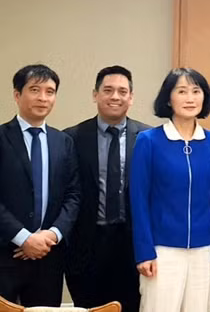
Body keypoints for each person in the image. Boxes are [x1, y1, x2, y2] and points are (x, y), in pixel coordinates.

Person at [131, 68, 210, 312]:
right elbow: (138, 200)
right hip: (161, 251)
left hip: (204, 251)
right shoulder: (148, 141)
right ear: (168, 98)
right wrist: (144, 252)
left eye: (196, 91)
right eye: (182, 91)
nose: (190, 98)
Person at [65, 66, 150, 311]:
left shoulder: (149, 137)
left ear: (131, 97)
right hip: (87, 248)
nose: (115, 96)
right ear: (95, 95)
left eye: (122, 91)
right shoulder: (72, 138)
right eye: (108, 90)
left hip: (132, 246)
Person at [0, 64, 80, 306]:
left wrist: (50, 236)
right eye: (35, 89)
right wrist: (23, 238)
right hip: (5, 254)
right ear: (17, 94)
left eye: (50, 91)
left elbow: (74, 195)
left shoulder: (63, 141)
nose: (43, 98)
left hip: (49, 257)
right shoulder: (2, 138)